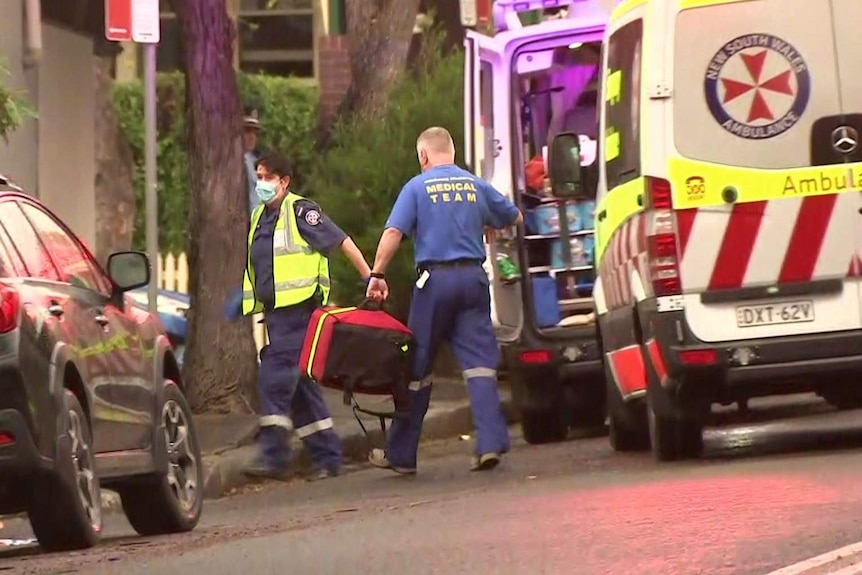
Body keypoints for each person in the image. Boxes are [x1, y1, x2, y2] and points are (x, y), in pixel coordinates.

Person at [365, 126, 522, 474]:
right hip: (472, 279)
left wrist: (376, 274)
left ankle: (402, 454)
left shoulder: (417, 187)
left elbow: (394, 232)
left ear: (423, 155)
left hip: (434, 282)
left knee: (416, 367)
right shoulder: (475, 184)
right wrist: (487, 225)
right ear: (451, 151)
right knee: (480, 364)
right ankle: (491, 443)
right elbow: (515, 217)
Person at [225, 152, 372, 480]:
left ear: (284, 181)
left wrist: (369, 277)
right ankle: (328, 457)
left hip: (300, 315)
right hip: (277, 318)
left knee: (274, 379)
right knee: (302, 389)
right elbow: (262, 265)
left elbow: (341, 240)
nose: (261, 183)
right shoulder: (260, 217)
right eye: (258, 177)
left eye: (267, 177)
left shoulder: (301, 211)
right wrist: (243, 297)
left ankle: (275, 455)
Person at [243, 108, 263, 215]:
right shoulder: (235, 163)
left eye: (254, 133)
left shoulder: (256, 161)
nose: (252, 137)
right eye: (247, 131)